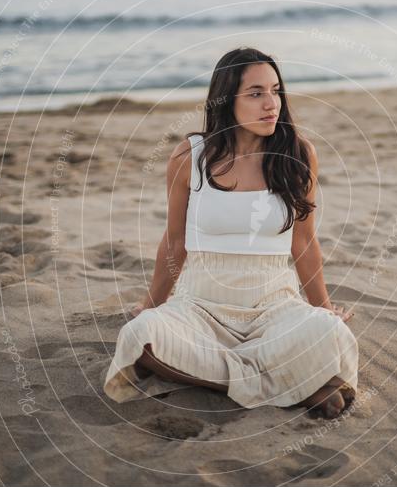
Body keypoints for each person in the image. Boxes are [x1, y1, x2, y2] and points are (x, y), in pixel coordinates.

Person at [103, 47, 358, 418]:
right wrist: (151, 306)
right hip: (200, 307)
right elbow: (174, 241)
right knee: (139, 337)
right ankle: (282, 386)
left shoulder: (299, 155)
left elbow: (304, 241)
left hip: (274, 308)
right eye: (256, 93)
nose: (271, 103)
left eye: (275, 91)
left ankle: (225, 376)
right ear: (226, 101)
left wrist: (323, 308)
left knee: (329, 334)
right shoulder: (189, 157)